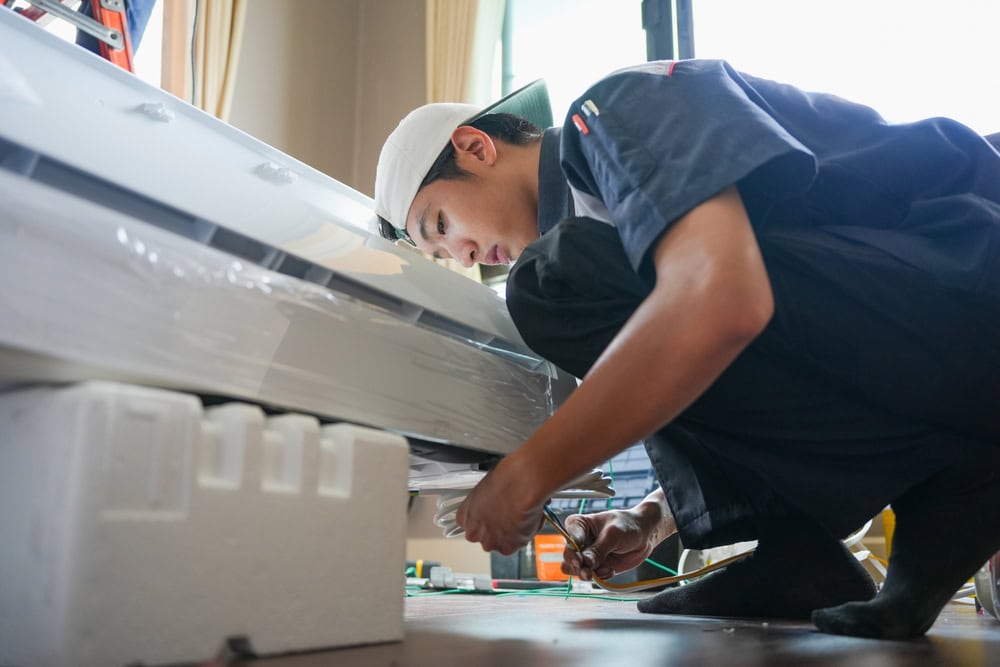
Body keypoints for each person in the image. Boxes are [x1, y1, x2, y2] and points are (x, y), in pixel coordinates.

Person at [373, 59, 1000, 639]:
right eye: (440, 253)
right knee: (599, 285)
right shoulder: (603, 217)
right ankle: (805, 548)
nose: (462, 256)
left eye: (442, 226)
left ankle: (951, 471)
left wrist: (527, 475)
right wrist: (651, 516)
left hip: (972, 273)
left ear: (476, 147)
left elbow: (722, 301)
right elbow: (770, 350)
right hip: (938, 319)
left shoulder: (617, 107)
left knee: (552, 283)